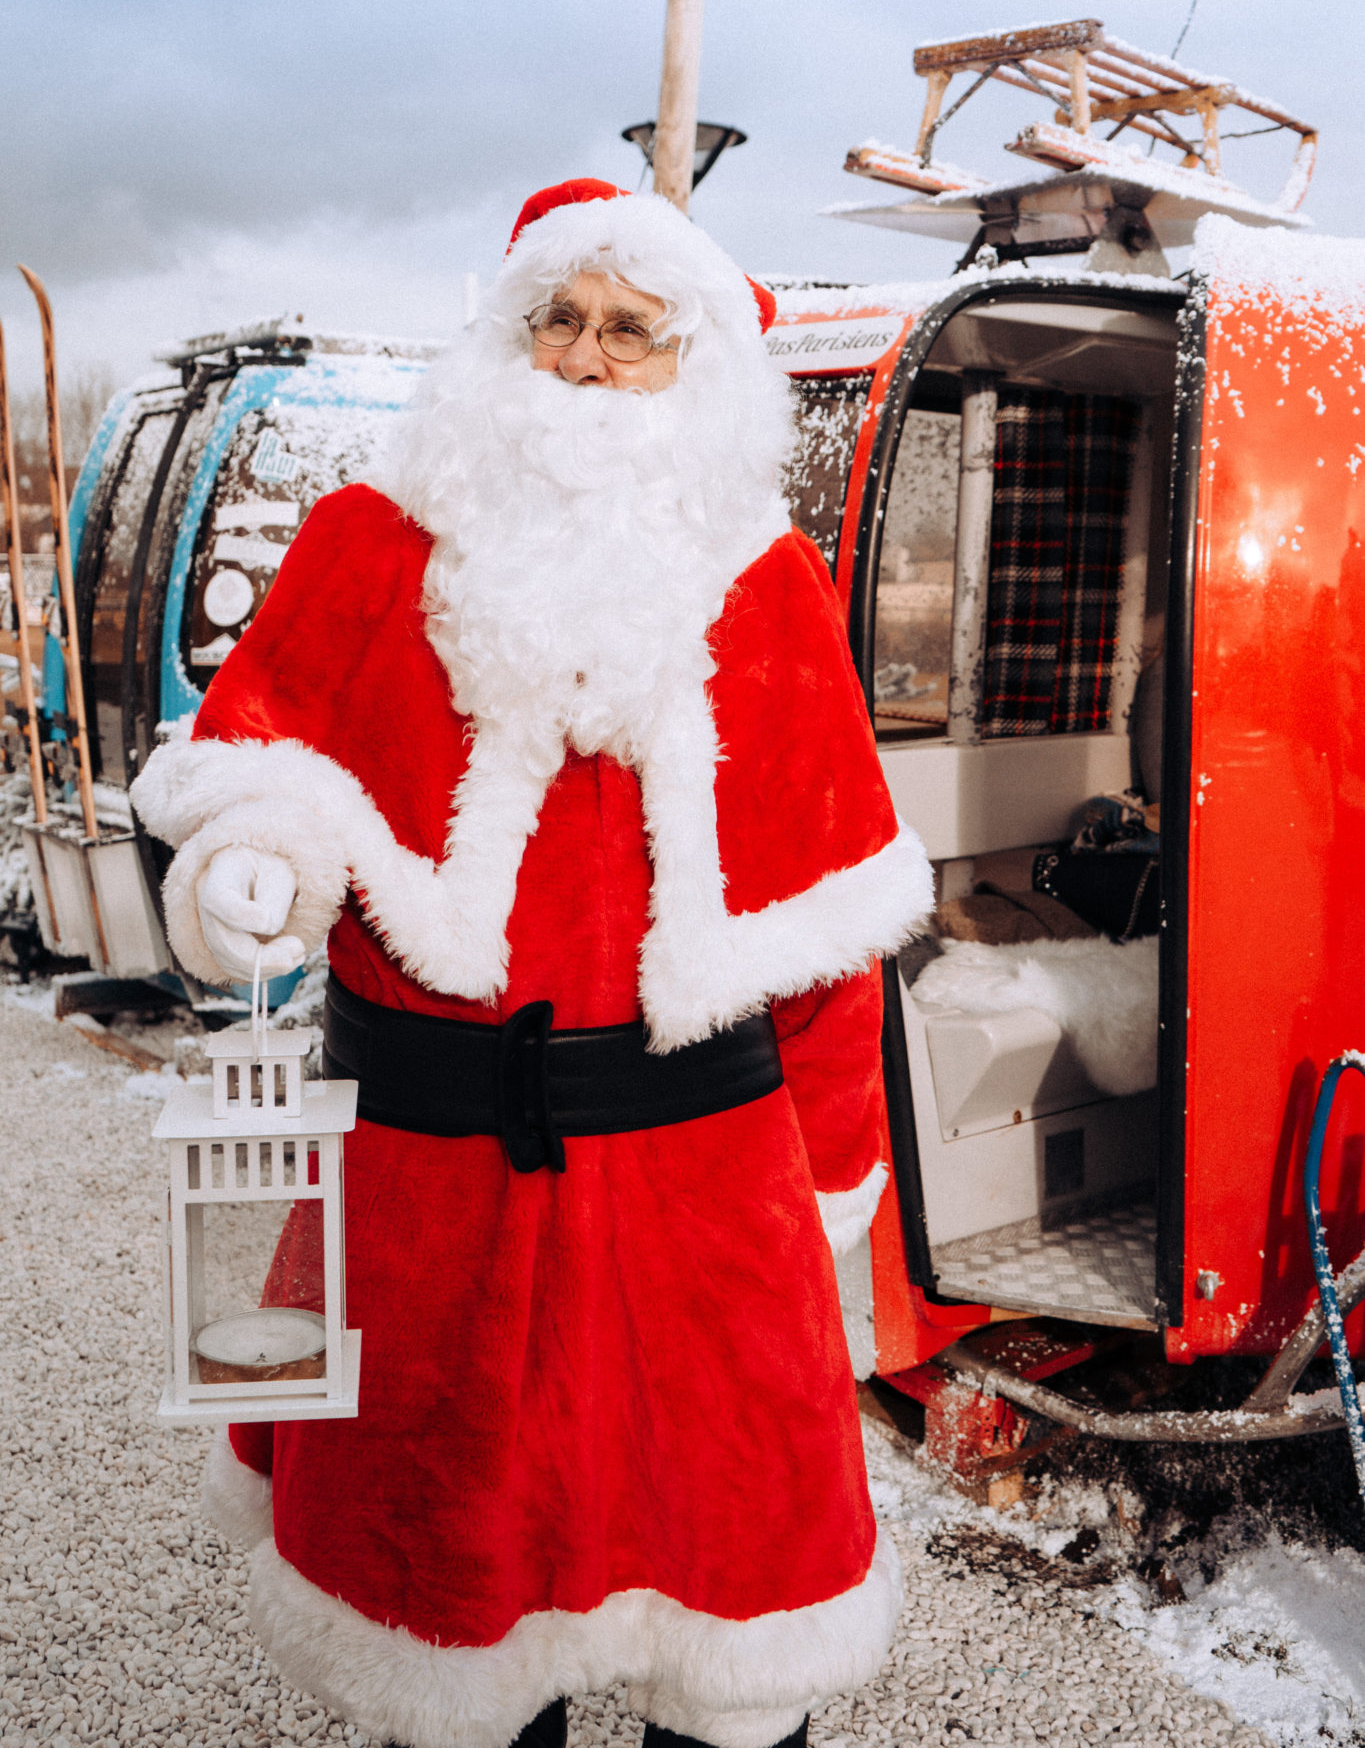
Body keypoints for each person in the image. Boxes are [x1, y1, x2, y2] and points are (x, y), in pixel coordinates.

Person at [132, 178, 932, 1748]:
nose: (581, 358)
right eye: (555, 318)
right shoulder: (368, 545)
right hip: (424, 1189)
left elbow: (832, 937)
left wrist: (826, 1185)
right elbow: (259, 769)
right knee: (448, 1617)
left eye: (630, 330)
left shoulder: (764, 582)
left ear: (694, 367)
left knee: (728, 1625)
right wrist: (251, 868)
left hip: (701, 1200)